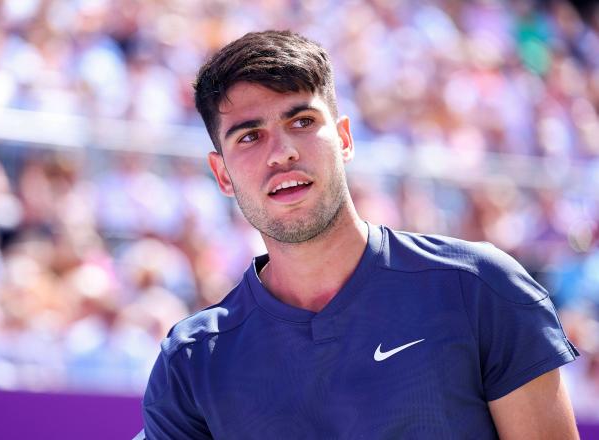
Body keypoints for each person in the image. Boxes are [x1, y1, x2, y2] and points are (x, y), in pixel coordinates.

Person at [141, 30, 580, 439]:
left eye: (302, 122)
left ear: (345, 139)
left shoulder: (480, 287)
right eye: (250, 136)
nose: (283, 152)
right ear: (222, 174)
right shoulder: (191, 362)